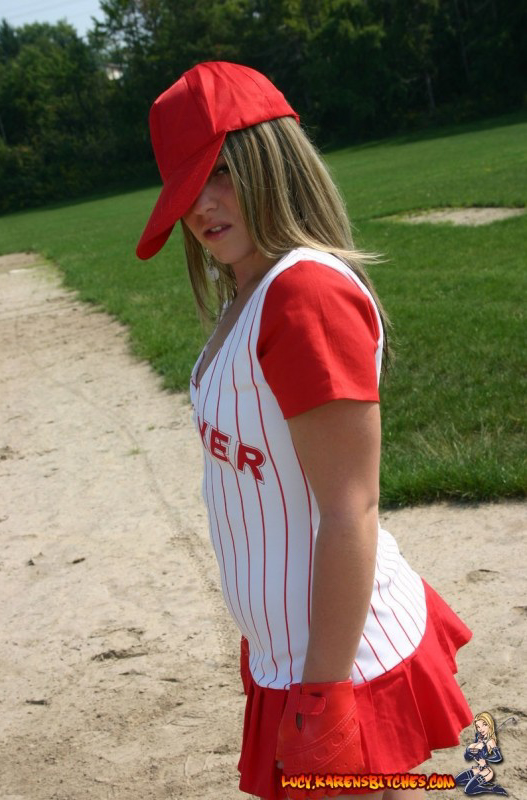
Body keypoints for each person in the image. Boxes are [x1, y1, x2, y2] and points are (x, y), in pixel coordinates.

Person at [136, 61, 474, 800]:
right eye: (187, 185)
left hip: (339, 657)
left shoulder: (303, 294)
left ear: (273, 161)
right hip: (293, 648)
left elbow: (349, 510)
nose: (201, 204)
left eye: (221, 172)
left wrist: (323, 693)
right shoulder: (249, 288)